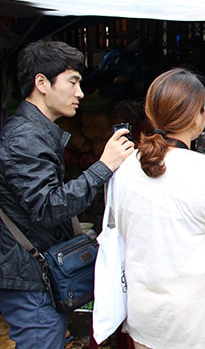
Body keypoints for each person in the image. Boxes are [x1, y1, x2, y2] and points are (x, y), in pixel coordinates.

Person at [0, 40, 134, 348]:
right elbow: (48, 206)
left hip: (33, 275)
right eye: (73, 82)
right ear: (42, 83)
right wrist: (104, 166)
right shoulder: (24, 138)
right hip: (29, 279)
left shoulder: (33, 132)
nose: (80, 93)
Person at [110, 67, 205, 349]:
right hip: (196, 320)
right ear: (198, 117)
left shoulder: (124, 168)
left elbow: (121, 235)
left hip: (145, 316)